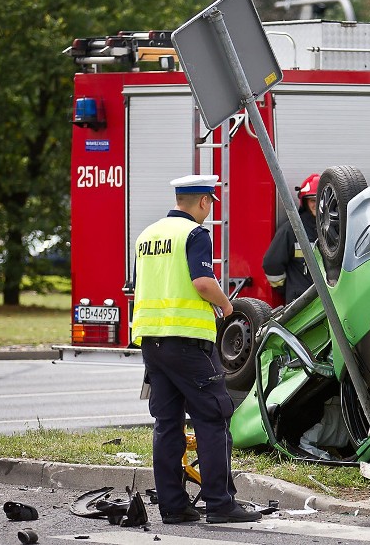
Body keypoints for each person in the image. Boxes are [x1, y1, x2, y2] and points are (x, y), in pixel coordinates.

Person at [131, 174, 262, 525]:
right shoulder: (194, 234)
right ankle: (220, 504)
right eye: (210, 204)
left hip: (152, 343)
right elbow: (202, 282)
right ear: (204, 202)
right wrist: (226, 305)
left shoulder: (146, 236)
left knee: (166, 423)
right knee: (213, 417)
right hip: (188, 343)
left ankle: (174, 507)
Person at [262, 173, 319, 303]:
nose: (316, 204)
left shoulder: (336, 230)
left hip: (331, 301)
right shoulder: (292, 230)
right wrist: (287, 289)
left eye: (320, 199)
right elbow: (271, 264)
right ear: (305, 202)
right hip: (300, 302)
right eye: (312, 200)